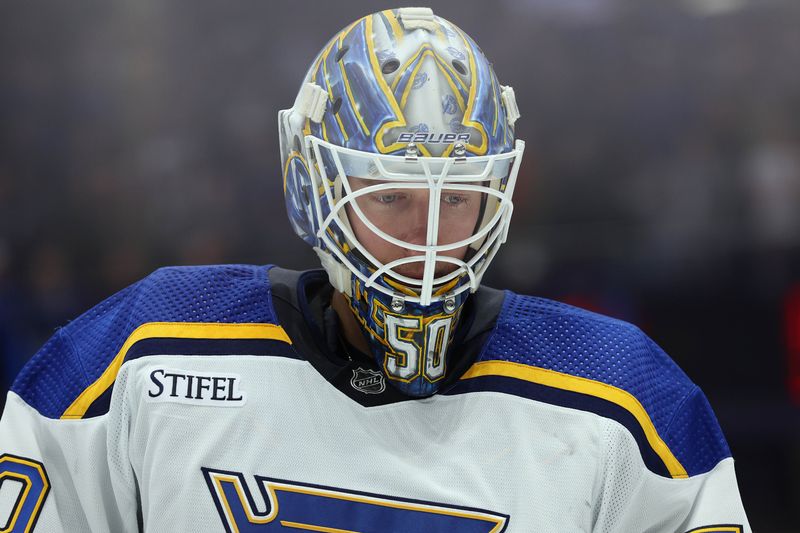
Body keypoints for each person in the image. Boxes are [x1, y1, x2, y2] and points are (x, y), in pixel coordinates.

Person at [0, 7, 750, 532]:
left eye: (458, 196)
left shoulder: (621, 402)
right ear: (313, 184)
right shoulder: (146, 351)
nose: (430, 236)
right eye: (391, 194)